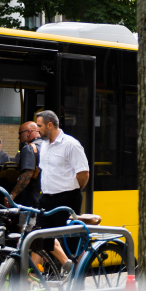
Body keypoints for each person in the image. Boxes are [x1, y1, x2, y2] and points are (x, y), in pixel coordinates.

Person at [34, 110, 90, 273]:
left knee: (71, 243)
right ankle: (36, 276)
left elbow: (83, 173)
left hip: (67, 198)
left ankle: (78, 280)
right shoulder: (44, 145)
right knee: (39, 238)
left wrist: (71, 191)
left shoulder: (70, 144)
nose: (38, 130)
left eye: (39, 126)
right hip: (46, 199)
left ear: (50, 125)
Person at [11, 121, 41, 206]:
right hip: (45, 198)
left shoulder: (29, 148)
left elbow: (27, 175)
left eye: (20, 133)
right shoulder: (47, 146)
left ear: (28, 132)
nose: (19, 137)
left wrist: (12, 195)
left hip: (32, 199)